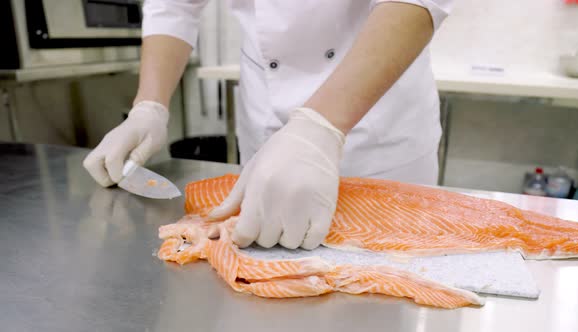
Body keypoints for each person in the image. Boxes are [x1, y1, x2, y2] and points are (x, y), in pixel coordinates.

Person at [84, 0, 453, 251]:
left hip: (378, 123)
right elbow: (174, 4)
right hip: (266, 116)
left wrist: (319, 127)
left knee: (387, 284)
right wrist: (149, 106)